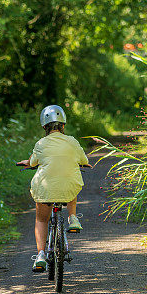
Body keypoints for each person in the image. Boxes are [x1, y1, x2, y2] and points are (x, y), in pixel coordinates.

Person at [17, 105, 91, 272]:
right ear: (63, 125)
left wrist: (27, 163)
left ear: (44, 127)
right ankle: (73, 218)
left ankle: (41, 254)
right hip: (68, 187)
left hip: (46, 189)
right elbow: (83, 159)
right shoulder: (72, 141)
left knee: (42, 219)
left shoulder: (41, 143)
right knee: (71, 182)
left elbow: (33, 162)